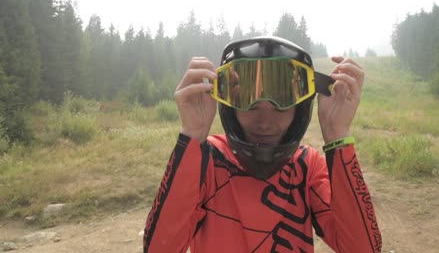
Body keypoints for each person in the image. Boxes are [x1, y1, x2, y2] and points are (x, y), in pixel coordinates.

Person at [143, 36, 382, 253]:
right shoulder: (209, 161)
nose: (265, 123)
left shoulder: (307, 166)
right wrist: (192, 135)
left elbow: (362, 248)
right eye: (252, 106)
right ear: (230, 108)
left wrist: (336, 133)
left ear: (299, 110)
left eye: (280, 107)